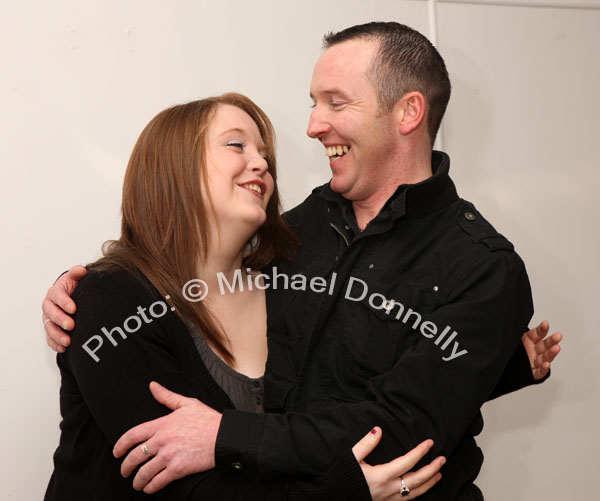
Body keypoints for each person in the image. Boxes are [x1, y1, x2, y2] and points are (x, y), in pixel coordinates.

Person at [44, 23, 563, 500]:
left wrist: (491, 365)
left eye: (336, 102)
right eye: (314, 103)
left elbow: (402, 422)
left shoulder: (484, 267)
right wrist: (79, 297)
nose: (313, 126)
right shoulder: (291, 238)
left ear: (408, 112)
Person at [43, 93, 447, 500]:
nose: (261, 164)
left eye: (264, 154)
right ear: (173, 165)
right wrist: (341, 492)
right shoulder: (110, 299)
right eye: (237, 145)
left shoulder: (289, 290)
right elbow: (182, 488)